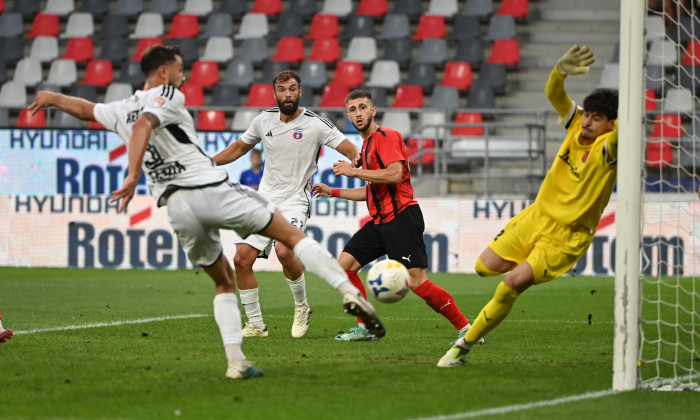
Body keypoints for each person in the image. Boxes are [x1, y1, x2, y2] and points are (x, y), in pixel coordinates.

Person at [28, 45, 384, 379]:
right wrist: (135, 172)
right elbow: (146, 126)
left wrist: (52, 98)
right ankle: (346, 294)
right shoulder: (168, 94)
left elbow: (87, 110)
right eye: (181, 70)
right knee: (276, 245)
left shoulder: (121, 107)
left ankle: (238, 360)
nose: (184, 78)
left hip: (176, 204)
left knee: (227, 276)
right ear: (164, 73)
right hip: (209, 189)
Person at [438, 45, 619, 367]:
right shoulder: (577, 125)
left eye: (598, 118)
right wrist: (559, 71)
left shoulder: (610, 146)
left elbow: (627, 129)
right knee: (484, 268)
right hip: (536, 216)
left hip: (567, 235)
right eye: (588, 115)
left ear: (611, 124)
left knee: (511, 284)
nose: (589, 121)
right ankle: (526, 266)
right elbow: (554, 93)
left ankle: (462, 346)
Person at [311, 89, 479, 343]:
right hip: (380, 221)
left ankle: (467, 329)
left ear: (373, 110)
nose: (358, 113)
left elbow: (394, 175)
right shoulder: (366, 146)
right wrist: (332, 191)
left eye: (363, 107)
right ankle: (365, 327)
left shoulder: (386, 136)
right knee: (344, 267)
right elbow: (372, 191)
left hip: (401, 218)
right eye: (353, 110)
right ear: (348, 116)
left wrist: (353, 172)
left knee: (417, 282)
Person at [213, 71, 361, 339]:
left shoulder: (316, 124)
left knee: (284, 251)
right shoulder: (263, 120)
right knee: (241, 259)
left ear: (300, 91)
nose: (288, 94)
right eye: (282, 90)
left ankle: (302, 306)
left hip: (295, 201)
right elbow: (237, 149)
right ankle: (256, 325)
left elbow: (352, 150)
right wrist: (208, 163)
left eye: (292, 89)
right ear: (275, 93)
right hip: (264, 200)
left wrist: (355, 165)